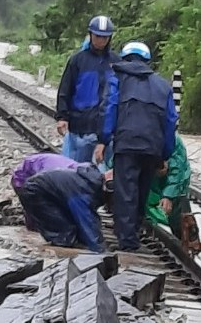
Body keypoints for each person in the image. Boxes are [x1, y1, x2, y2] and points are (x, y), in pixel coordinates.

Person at [95, 41, 178, 252]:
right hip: (152, 147)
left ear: (124, 58)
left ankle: (127, 240)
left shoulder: (117, 79)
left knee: (126, 191)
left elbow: (110, 109)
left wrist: (104, 140)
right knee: (142, 190)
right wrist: (164, 154)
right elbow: (170, 122)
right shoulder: (162, 85)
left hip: (127, 143)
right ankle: (134, 230)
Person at [55, 16, 116, 163]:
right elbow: (65, 89)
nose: (101, 40)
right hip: (80, 127)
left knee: (101, 176)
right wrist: (62, 116)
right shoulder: (77, 60)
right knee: (75, 169)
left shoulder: (116, 62)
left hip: (106, 128)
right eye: (97, 36)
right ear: (90, 35)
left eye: (105, 37)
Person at [15, 164, 110, 253]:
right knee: (64, 234)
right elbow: (85, 219)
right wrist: (99, 249)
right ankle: (59, 253)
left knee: (74, 230)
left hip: (47, 192)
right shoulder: (83, 190)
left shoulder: (90, 183)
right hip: (35, 192)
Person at [10, 153, 80, 230]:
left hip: (38, 169)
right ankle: (32, 226)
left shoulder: (75, 172)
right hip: (22, 178)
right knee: (34, 205)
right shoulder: (54, 175)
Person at [145, 136, 191, 238]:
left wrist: (168, 195)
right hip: (148, 184)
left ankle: (187, 239)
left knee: (178, 215)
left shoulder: (173, 140)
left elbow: (178, 170)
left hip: (172, 185)